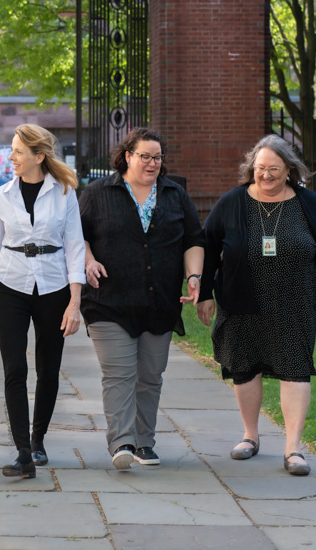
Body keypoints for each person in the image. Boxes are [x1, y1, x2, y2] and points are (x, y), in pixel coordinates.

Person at [197, 135, 316, 476]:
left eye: (274, 169)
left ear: (289, 170)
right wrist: (204, 291)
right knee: (245, 367)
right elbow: (207, 247)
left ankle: (293, 447)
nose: (266, 175)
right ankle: (250, 436)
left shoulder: (308, 204)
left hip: (295, 302)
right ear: (251, 167)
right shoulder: (232, 203)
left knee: (294, 367)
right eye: (260, 168)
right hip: (241, 299)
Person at [80, 128, 204, 470]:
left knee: (149, 376)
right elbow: (78, 236)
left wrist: (194, 276)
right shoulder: (98, 192)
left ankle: (144, 443)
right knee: (119, 373)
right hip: (108, 300)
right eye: (145, 156)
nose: (152, 163)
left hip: (158, 301)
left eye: (158, 157)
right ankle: (121, 441)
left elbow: (194, 239)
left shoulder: (174, 195)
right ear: (127, 156)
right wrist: (88, 261)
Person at [0, 124, 86, 479]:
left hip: (54, 285)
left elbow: (75, 247)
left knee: (48, 367)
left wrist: (75, 302)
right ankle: (22, 450)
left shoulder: (64, 193)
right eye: (12, 150)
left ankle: (38, 439)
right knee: (15, 369)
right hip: (10, 284)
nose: (11, 157)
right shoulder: (1, 197)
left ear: (39, 156)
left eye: (18, 152)